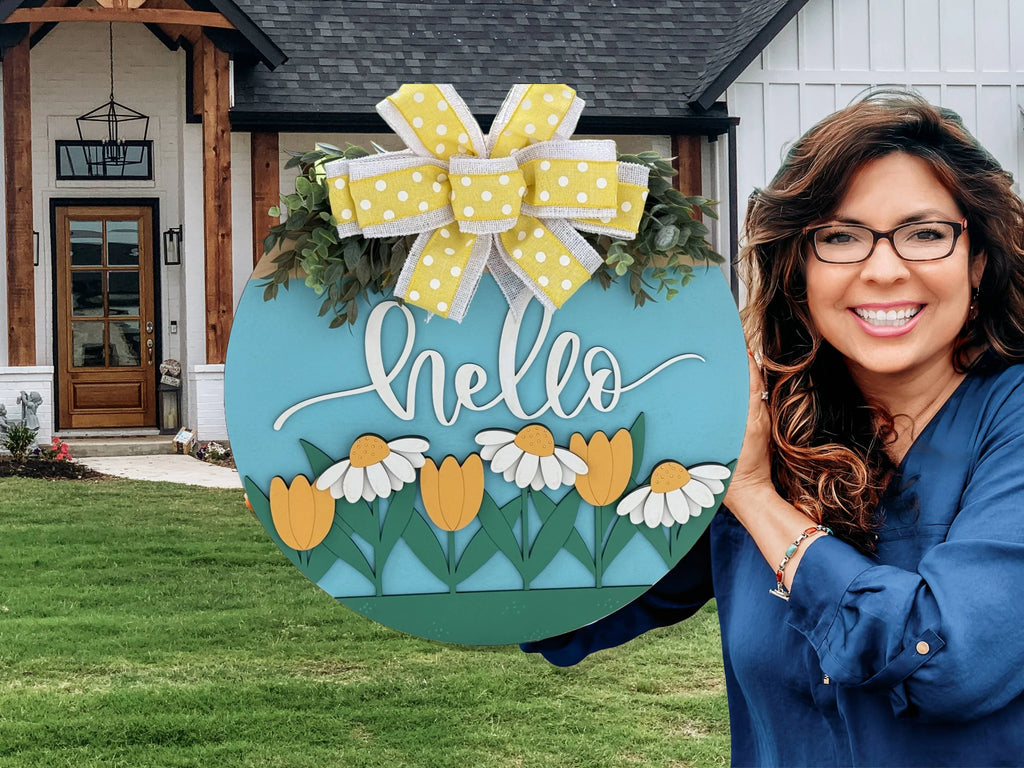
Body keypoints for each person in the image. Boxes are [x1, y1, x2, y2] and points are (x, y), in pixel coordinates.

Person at [522, 91, 1024, 767]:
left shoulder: (1008, 421)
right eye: (840, 237)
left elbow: (949, 661)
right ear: (799, 268)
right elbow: (571, 605)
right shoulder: (765, 422)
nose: (882, 269)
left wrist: (757, 497)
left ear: (979, 259)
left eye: (925, 233)